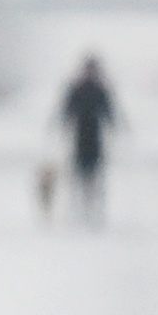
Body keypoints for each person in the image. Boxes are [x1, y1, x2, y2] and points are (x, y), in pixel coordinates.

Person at [56, 56, 120, 224]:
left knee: (94, 172)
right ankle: (79, 206)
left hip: (95, 136)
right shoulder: (77, 88)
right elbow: (67, 109)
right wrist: (64, 123)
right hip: (80, 135)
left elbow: (108, 110)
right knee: (78, 171)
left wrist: (113, 125)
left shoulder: (99, 89)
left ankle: (91, 205)